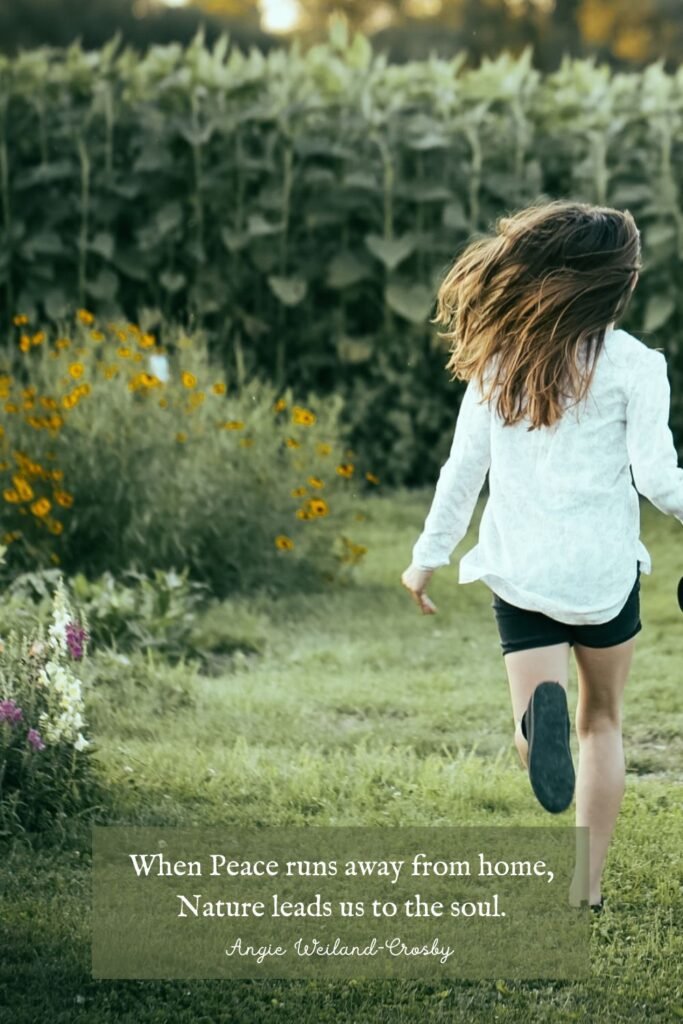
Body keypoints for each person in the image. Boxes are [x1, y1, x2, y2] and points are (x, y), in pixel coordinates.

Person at [400, 199, 683, 912]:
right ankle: (584, 892)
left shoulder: (498, 362)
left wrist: (426, 556)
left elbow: (463, 471)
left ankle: (534, 725)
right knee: (604, 724)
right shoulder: (634, 365)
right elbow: (655, 480)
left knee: (541, 734)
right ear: (614, 285)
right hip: (602, 575)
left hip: (521, 573)